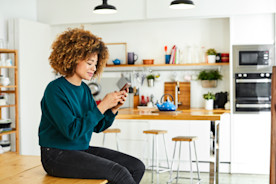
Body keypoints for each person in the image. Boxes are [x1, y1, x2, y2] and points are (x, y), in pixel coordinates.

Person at [38, 28, 145, 184]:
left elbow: (97, 126)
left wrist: (113, 109)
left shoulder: (84, 89)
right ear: (73, 58)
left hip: (79, 150)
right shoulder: (55, 90)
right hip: (56, 155)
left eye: (95, 64)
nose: (94, 68)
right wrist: (102, 106)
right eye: (89, 63)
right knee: (119, 174)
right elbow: (72, 131)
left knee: (136, 167)